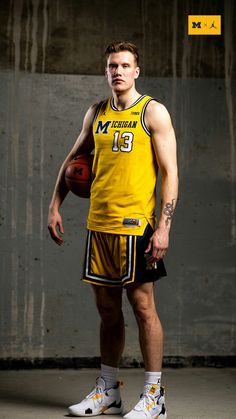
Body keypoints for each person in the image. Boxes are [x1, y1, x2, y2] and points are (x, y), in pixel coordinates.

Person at [48, 41, 178, 418]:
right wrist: (55, 204)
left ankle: (154, 396)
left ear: (136, 71)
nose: (118, 71)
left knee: (143, 308)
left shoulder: (152, 113)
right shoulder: (97, 113)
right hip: (99, 226)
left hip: (137, 227)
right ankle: (108, 390)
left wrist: (163, 227)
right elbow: (74, 160)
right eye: (111, 66)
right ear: (105, 72)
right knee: (107, 310)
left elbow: (170, 175)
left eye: (125, 65)